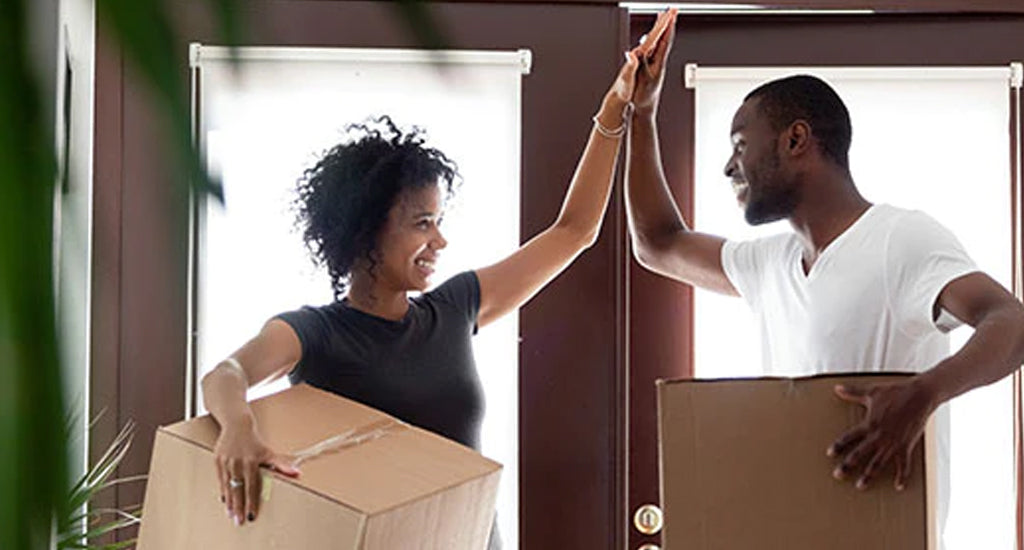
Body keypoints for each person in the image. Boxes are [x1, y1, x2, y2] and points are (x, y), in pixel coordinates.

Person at [199, 28, 651, 548]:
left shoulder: (455, 308)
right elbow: (226, 374)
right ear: (366, 228)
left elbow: (575, 231)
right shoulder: (316, 332)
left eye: (438, 221)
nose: (439, 239)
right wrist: (237, 428)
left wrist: (617, 104)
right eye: (421, 223)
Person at [625, 6, 1024, 542]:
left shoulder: (899, 239)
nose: (727, 167)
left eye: (740, 145)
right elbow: (658, 243)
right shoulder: (770, 265)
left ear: (796, 140)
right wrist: (643, 112)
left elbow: (1010, 322)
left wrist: (926, 393)